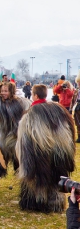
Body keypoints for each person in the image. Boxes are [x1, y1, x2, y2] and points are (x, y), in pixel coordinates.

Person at [16, 84, 75, 213]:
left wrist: (26, 165)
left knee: (39, 174)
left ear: (35, 95)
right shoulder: (58, 109)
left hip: (39, 151)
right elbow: (71, 129)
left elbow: (24, 142)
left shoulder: (30, 115)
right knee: (57, 172)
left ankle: (38, 202)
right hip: (60, 149)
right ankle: (56, 202)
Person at [70, 71, 80, 142]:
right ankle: (79, 137)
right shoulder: (76, 91)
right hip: (77, 107)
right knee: (77, 123)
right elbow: (73, 101)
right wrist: (71, 108)